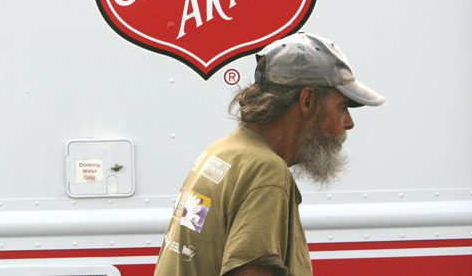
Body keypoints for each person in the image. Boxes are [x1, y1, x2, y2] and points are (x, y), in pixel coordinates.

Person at [154, 32, 385, 276]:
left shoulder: (224, 151)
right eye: (342, 107)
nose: (348, 123)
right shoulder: (266, 171)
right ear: (307, 100)